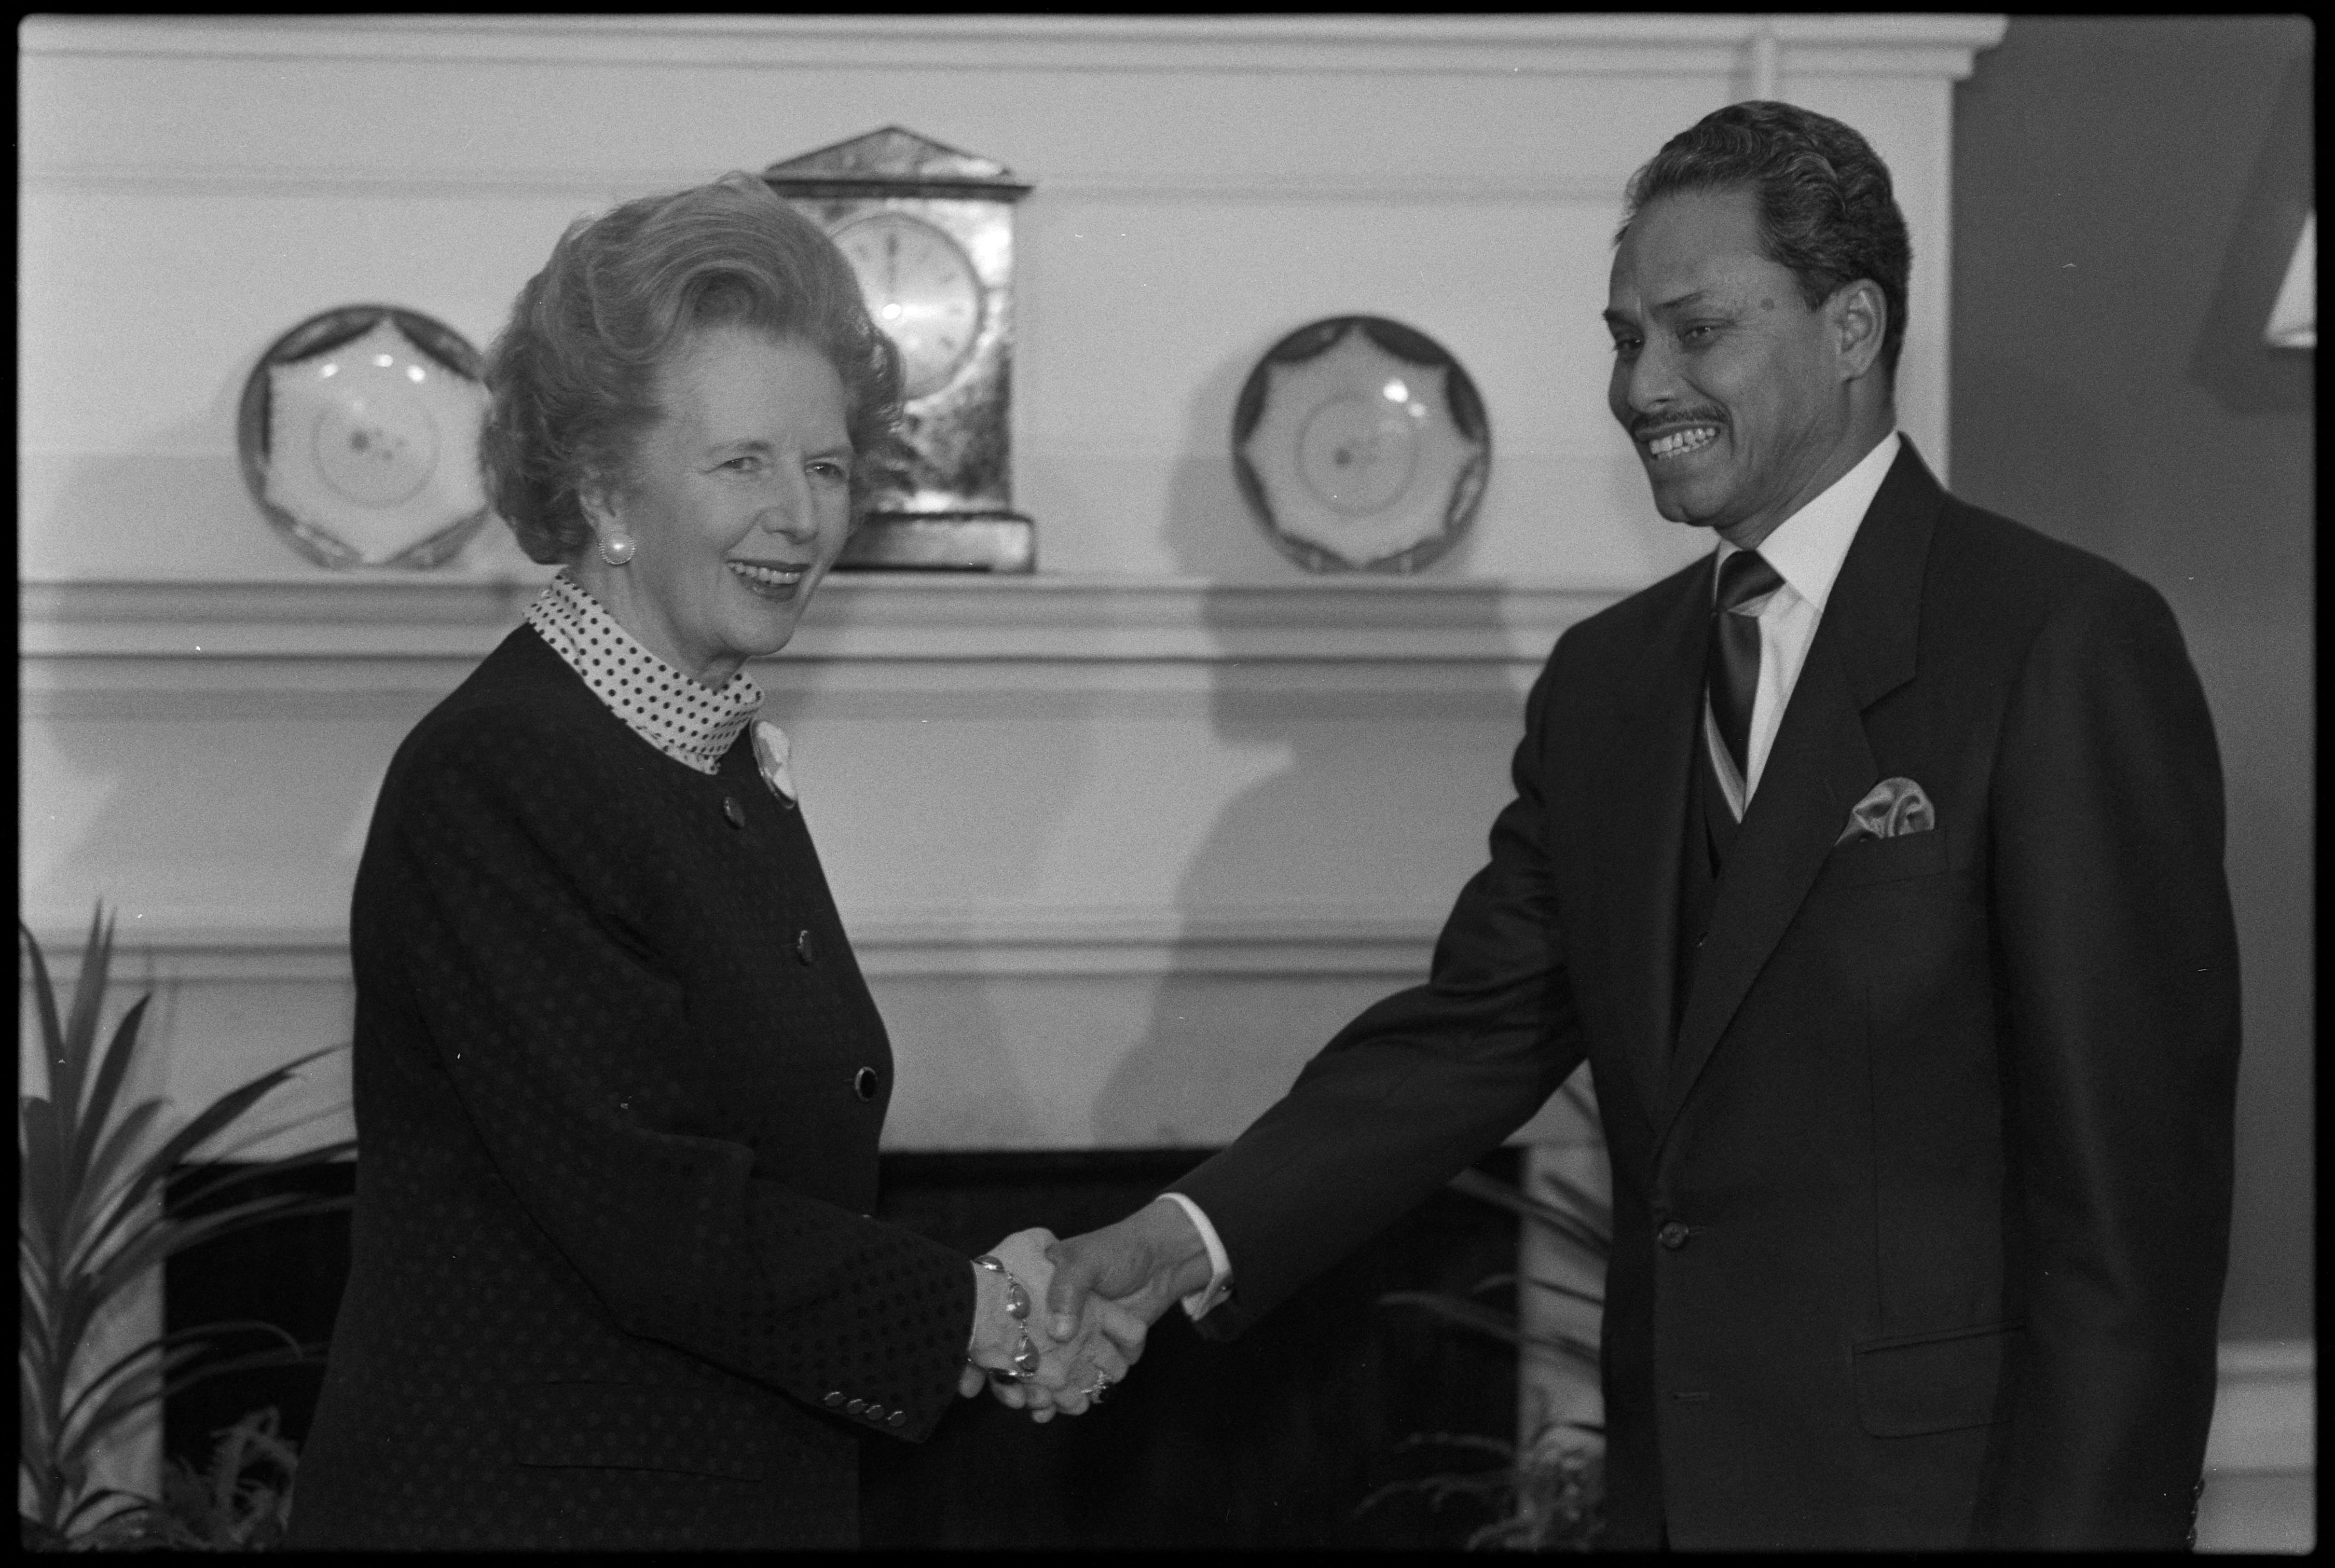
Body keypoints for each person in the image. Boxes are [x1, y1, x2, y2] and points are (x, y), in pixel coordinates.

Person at [1036, 102, 2241, 1551]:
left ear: (1849, 328)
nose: (1637, 383)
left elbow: (2133, 1213)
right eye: (1622, 337)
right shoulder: (1607, 685)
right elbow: (1470, 1034)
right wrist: (1179, 1243)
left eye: (1692, 332)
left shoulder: (2057, 644)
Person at [286, 173, 1136, 1552]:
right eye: (743, 462)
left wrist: (980, 1310)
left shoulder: (708, 765)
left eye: (828, 466)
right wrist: (982, 1313)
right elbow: (651, 1213)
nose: (801, 519)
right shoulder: (505, 771)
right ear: (604, 490)